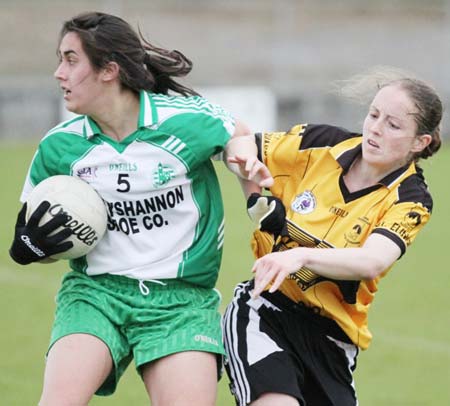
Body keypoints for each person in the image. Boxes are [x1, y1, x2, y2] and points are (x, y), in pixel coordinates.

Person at [8, 11, 272, 406]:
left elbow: (237, 134)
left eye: (70, 59)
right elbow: (41, 233)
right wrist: (29, 247)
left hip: (180, 302)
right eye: (60, 59)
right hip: (96, 294)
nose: (58, 73)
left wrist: (247, 167)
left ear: (108, 70)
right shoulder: (58, 147)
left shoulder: (181, 121)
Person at [222, 68, 443, 406]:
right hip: (263, 311)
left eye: (393, 125)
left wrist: (301, 255)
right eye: (374, 115)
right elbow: (238, 145)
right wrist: (247, 162)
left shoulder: (411, 199)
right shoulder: (321, 142)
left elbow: (372, 261)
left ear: (420, 142)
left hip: (332, 343)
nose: (375, 129)